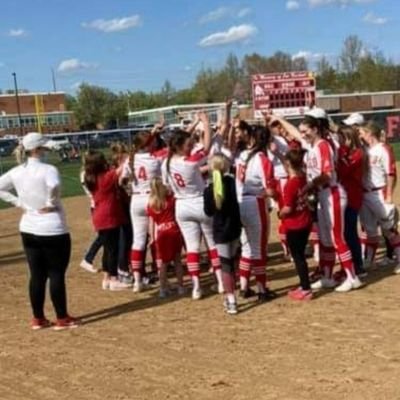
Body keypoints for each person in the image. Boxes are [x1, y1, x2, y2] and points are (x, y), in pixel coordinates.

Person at [274, 114, 362, 292]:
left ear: (315, 129)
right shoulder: (311, 145)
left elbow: (328, 174)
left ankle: (352, 277)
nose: (303, 135)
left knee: (337, 237)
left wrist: (309, 185)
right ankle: (327, 276)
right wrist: (279, 118)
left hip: (332, 193)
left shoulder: (323, 145)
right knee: (325, 240)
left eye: (306, 131)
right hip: (322, 195)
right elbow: (295, 133)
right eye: (302, 132)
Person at [0, 132, 78, 330]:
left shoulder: (17, 171)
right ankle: (62, 318)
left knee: (37, 274)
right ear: (37, 149)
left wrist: (20, 203)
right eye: (43, 147)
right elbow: (54, 185)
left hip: (28, 227)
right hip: (52, 228)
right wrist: (50, 203)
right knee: (56, 273)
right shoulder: (48, 169)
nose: (46, 150)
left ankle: (38, 318)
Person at [162, 112, 224, 300]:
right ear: (181, 146)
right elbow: (206, 147)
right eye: (188, 144)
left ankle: (196, 286)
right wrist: (205, 123)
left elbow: (167, 187)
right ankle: (220, 281)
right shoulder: (190, 160)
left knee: (191, 248)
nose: (190, 146)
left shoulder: (167, 162)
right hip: (198, 202)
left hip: (182, 205)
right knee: (212, 244)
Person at [234, 122, 277, 301]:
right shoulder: (262, 158)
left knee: (246, 248)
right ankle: (261, 288)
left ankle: (244, 286)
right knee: (259, 248)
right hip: (255, 201)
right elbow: (270, 190)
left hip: (240, 200)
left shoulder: (242, 155)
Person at [84, 151, 131, 291]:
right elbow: (121, 169)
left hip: (100, 216)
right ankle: (114, 279)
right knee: (113, 250)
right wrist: (128, 158)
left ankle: (106, 278)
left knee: (108, 249)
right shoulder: (105, 178)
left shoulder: (92, 177)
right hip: (109, 217)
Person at [358, 122, 400, 274]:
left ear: (370, 133)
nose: (360, 136)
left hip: (379, 192)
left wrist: (389, 194)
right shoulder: (364, 150)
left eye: (362, 133)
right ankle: (369, 260)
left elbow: (391, 173)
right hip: (365, 193)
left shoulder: (383, 149)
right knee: (369, 230)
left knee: (389, 229)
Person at [128, 124, 165, 293]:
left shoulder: (131, 159)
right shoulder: (155, 158)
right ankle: (162, 279)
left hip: (136, 198)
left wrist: (153, 132)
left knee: (138, 241)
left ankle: (137, 281)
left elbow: (122, 179)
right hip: (152, 197)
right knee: (156, 239)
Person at [204, 154, 242, 314]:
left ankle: (231, 299)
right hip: (234, 227)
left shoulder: (208, 190)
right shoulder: (232, 183)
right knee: (232, 264)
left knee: (225, 266)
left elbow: (208, 212)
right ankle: (231, 295)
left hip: (220, 230)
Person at [279, 149, 313, 301]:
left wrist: (280, 214)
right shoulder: (302, 178)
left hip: (294, 225)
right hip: (305, 221)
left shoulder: (290, 184)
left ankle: (306, 288)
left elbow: (288, 208)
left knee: (298, 257)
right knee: (300, 256)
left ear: (288, 164)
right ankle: (304, 285)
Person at [336, 125, 366, 277]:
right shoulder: (347, 152)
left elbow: (344, 170)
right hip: (345, 194)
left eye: (341, 138)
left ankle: (358, 265)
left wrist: (340, 153)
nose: (339, 141)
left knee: (350, 232)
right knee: (345, 232)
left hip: (352, 196)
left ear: (348, 138)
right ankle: (349, 264)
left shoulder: (358, 153)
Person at [147, 178, 184, 298]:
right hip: (173, 230)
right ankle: (180, 287)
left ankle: (163, 288)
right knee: (177, 260)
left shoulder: (151, 205)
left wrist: (152, 236)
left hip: (161, 232)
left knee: (164, 263)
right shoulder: (170, 200)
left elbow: (151, 222)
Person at [79, 160, 101, 273]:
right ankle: (88, 259)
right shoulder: (87, 174)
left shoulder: (85, 173)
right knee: (103, 236)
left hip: (96, 206)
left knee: (106, 236)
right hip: (98, 206)